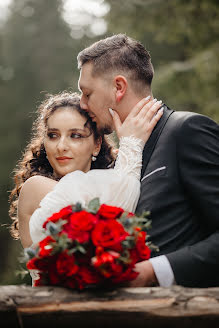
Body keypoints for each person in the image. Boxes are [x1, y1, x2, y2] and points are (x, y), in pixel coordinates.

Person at [77, 34, 219, 288]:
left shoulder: (187, 131)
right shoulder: (118, 160)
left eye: (87, 93)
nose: (82, 104)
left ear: (119, 87)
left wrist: (154, 270)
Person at [9, 91, 163, 251]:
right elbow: (107, 215)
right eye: (53, 135)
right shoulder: (35, 188)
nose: (61, 146)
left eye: (75, 135)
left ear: (97, 145)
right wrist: (131, 144)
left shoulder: (108, 183)